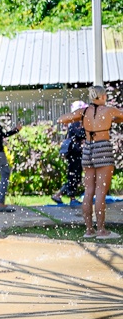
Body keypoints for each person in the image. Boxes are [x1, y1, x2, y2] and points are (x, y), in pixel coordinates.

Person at [57, 86, 123, 239]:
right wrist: (113, 119)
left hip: (88, 149)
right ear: (103, 96)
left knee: (88, 192)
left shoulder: (83, 111)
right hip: (103, 149)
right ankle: (101, 231)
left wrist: (79, 120)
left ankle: (89, 230)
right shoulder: (109, 110)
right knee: (100, 191)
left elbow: (62, 119)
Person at [52, 100, 87, 205]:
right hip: (74, 152)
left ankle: (60, 195)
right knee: (74, 175)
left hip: (75, 152)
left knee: (75, 175)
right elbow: (80, 134)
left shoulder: (75, 121)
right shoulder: (76, 122)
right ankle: (69, 197)